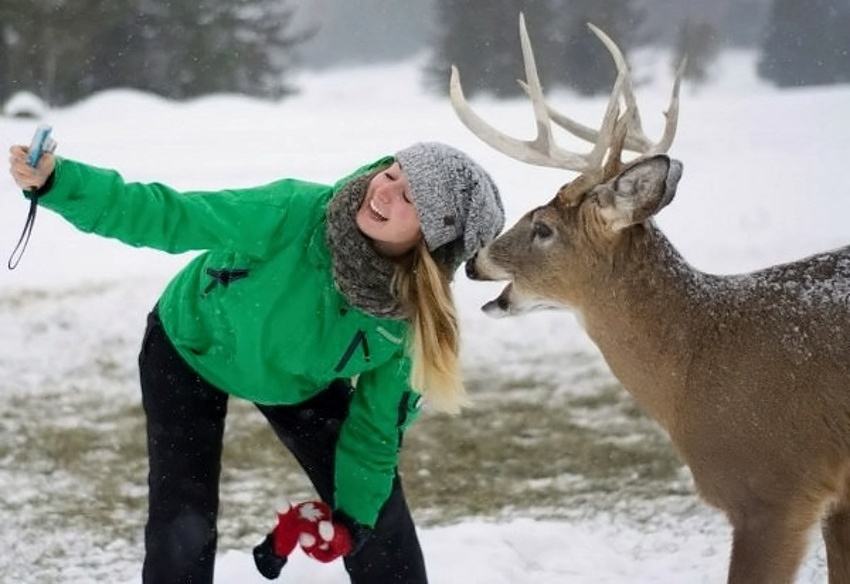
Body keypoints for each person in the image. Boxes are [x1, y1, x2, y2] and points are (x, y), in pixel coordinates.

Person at [8, 140, 505, 583]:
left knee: (378, 517)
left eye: (411, 198)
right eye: (391, 174)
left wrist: (350, 522)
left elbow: (375, 432)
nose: (384, 192)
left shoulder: (408, 322)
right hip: (191, 344)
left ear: (435, 236)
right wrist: (60, 182)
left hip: (296, 382)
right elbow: (170, 215)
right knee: (184, 517)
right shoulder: (293, 211)